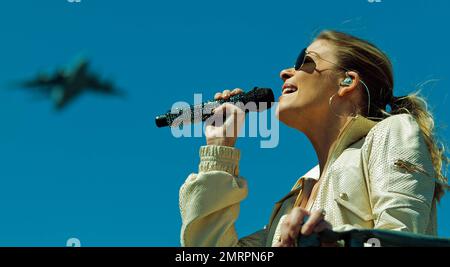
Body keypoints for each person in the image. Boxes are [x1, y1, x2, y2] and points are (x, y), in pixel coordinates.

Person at [178, 30, 449, 247]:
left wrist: (330, 239)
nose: (285, 72)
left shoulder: (391, 133)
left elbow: (401, 238)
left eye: (304, 61)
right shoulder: (292, 200)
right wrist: (220, 148)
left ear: (347, 82)